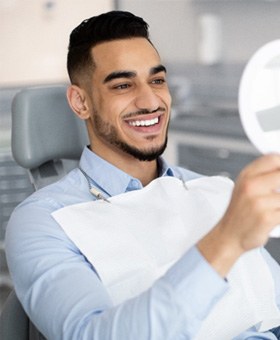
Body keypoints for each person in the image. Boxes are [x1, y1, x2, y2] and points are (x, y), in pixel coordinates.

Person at [5, 10, 280, 339]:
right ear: (80, 102)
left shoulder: (213, 191)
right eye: (123, 85)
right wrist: (226, 240)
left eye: (157, 80)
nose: (151, 101)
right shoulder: (43, 221)